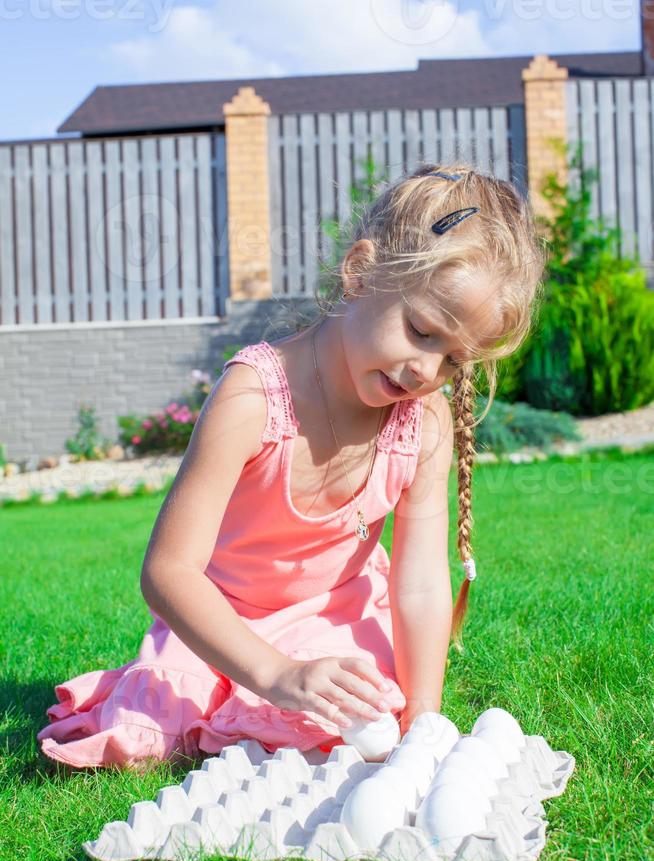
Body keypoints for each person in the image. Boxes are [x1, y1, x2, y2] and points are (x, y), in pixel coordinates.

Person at [37, 164, 545, 771]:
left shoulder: (423, 422)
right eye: (420, 331)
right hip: (219, 626)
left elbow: (418, 581)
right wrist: (274, 673)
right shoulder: (253, 399)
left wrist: (425, 717)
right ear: (360, 272)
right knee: (144, 740)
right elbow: (169, 571)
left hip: (332, 617)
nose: (424, 371)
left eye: (452, 360)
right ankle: (232, 692)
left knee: (352, 721)